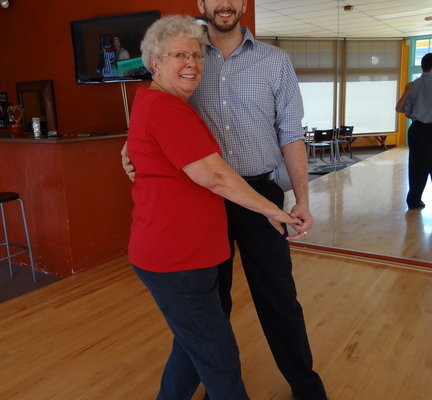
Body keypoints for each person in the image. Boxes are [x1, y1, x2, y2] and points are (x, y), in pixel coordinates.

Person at [123, 1, 330, 398]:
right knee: (208, 311)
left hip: (257, 192)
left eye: (193, 56)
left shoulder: (274, 61)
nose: (190, 62)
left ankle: (305, 386)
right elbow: (163, 119)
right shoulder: (187, 60)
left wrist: (299, 200)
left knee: (279, 300)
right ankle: (214, 376)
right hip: (204, 199)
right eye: (181, 56)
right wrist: (132, 147)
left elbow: (291, 133)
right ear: (202, 3)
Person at [399, 52, 432, 209]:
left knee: (417, 166)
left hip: (417, 130)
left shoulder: (414, 84)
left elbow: (404, 111)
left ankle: (414, 200)